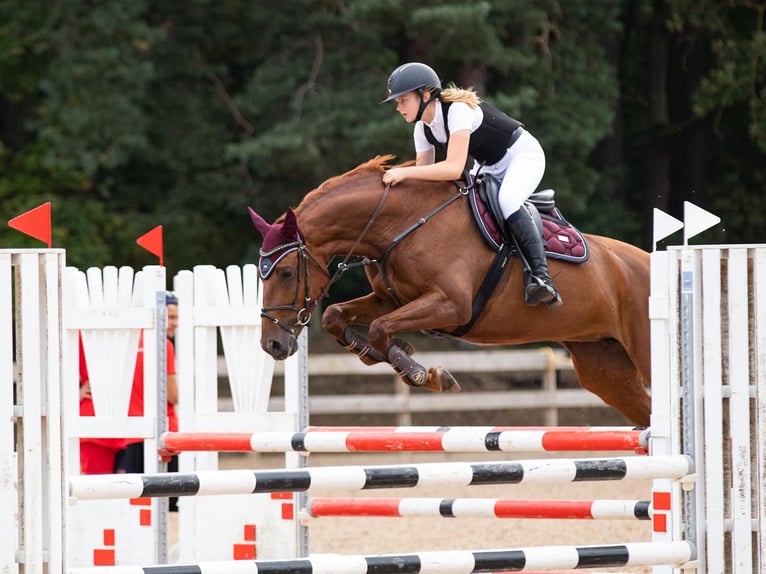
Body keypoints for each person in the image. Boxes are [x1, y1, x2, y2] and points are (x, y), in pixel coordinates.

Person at [381, 62, 561, 306]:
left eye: (403, 100)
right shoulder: (422, 130)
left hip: (521, 155)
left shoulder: (457, 111)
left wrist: (404, 174)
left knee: (507, 200)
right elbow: (424, 178)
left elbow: (454, 168)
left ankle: (542, 278)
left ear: (425, 95)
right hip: (488, 165)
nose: (398, 107)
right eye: (397, 102)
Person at [115, 292, 179, 507]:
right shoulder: (164, 345)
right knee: (168, 505)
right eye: (171, 317)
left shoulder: (127, 343)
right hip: (164, 433)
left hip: (133, 433)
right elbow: (173, 396)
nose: (175, 324)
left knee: (139, 504)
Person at [78, 333, 127, 473]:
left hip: (124, 424)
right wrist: (75, 395)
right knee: (95, 489)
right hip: (96, 428)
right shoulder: (82, 332)